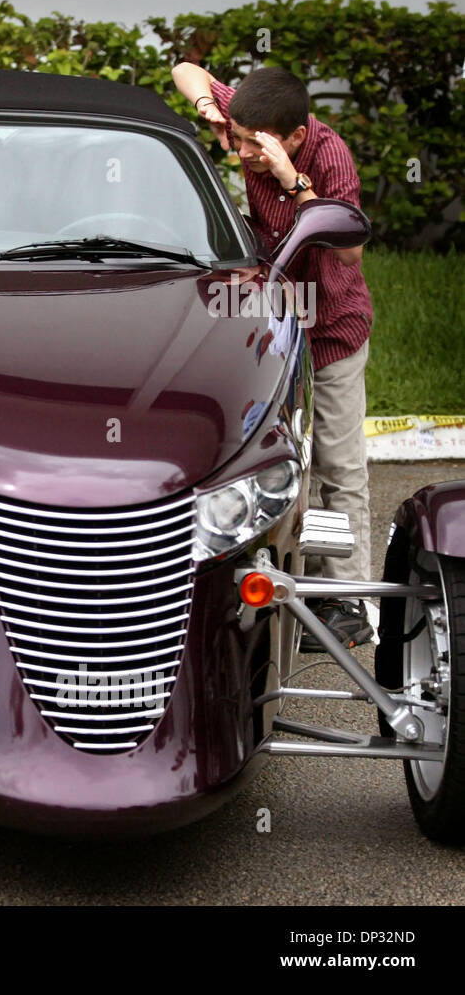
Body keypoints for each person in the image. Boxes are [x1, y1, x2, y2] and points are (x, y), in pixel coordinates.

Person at [172, 62, 375, 649]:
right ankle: (283, 584)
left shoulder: (328, 159)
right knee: (275, 462)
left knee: (339, 465)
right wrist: (214, 112)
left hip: (332, 324)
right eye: (238, 139)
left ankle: (350, 601)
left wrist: (291, 179)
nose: (241, 152)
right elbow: (186, 70)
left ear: (290, 136)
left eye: (252, 146)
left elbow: (352, 252)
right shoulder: (252, 113)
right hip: (272, 320)